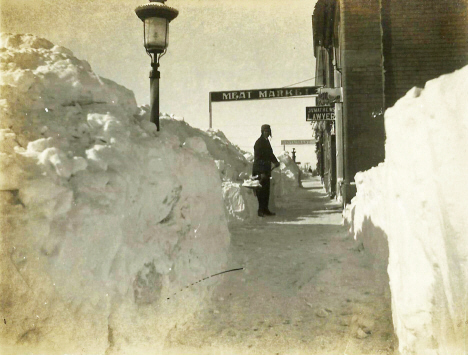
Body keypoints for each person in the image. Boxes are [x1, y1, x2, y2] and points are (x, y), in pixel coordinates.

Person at [253, 124, 280, 217]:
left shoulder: (267, 142)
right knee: (260, 191)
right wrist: (261, 172)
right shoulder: (259, 143)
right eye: (265, 131)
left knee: (266, 191)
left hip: (266, 170)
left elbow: (270, 154)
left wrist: (275, 162)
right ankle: (260, 210)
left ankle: (265, 209)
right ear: (262, 132)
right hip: (260, 170)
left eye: (268, 131)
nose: (267, 133)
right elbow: (258, 159)